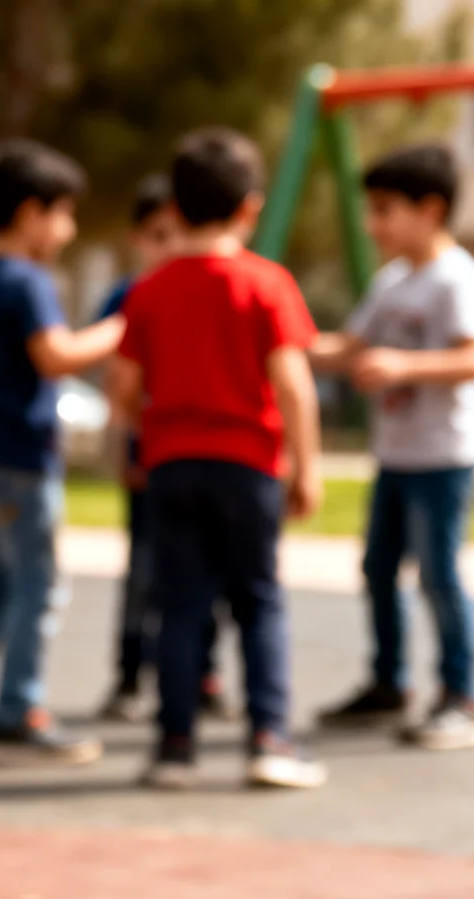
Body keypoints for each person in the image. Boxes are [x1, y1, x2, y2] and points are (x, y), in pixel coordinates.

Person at [112, 127, 327, 790]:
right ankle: (269, 738)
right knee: (258, 600)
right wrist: (306, 463)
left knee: (181, 606)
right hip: (248, 463)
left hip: (173, 463)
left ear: (172, 209)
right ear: (250, 208)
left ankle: (175, 745)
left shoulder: (148, 290)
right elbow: (292, 383)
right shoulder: (266, 284)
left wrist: (132, 445)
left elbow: (123, 388)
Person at [0, 139, 121, 765]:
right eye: (63, 215)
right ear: (32, 212)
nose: (66, 231)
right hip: (18, 456)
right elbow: (56, 357)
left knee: (4, 577)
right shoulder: (27, 281)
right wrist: (123, 327)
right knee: (38, 584)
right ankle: (18, 709)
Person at [311, 144, 474, 750]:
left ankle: (463, 697)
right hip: (396, 454)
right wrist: (284, 339)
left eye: (385, 210)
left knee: (439, 576)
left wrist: (405, 366)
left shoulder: (458, 279)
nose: (373, 224)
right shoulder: (393, 280)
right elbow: (350, 346)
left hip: (445, 456)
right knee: (376, 569)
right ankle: (389, 684)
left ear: (430, 209)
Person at [98, 175, 233, 723]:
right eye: (158, 235)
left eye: (176, 233)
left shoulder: (208, 286)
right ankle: (131, 674)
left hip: (208, 457)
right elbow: (118, 386)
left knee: (211, 574)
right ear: (137, 239)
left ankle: (203, 672)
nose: (169, 246)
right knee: (144, 573)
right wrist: (125, 452)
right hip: (152, 458)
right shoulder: (132, 297)